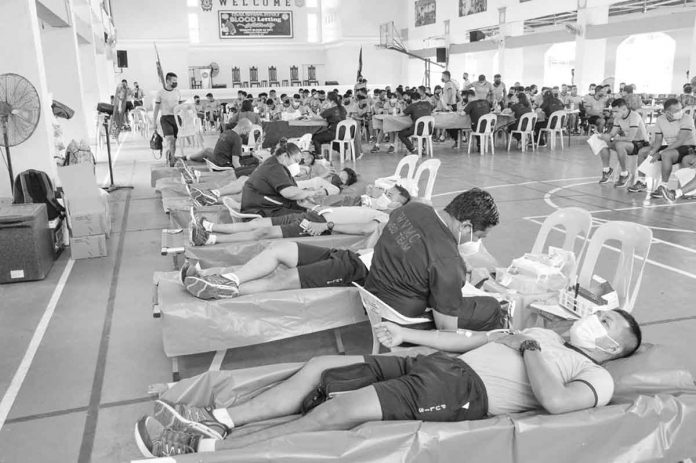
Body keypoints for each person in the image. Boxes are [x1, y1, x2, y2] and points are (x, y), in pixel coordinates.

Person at [134, 309, 642, 457]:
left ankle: (202, 447)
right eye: (599, 314)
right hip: (431, 364)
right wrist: (407, 335)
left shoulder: (593, 374)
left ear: (613, 348)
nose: (593, 320)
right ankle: (220, 418)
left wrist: (530, 348)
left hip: (465, 394)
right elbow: (467, 339)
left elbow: (554, 402)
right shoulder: (534, 330)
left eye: (606, 325)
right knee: (318, 368)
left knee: (340, 409)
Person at [365, 188, 502, 331]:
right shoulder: (448, 261)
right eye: (479, 236)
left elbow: (418, 244)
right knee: (492, 308)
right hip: (400, 322)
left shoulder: (411, 208)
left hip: (373, 299)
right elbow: (446, 330)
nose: (477, 241)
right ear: (466, 226)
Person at [191, 185, 411, 246]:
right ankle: (209, 226)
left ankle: (211, 239)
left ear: (397, 205)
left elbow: (365, 230)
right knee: (258, 222)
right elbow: (336, 210)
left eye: (390, 195)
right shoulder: (370, 205)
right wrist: (311, 205)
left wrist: (328, 226)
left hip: (318, 223)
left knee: (263, 232)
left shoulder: (385, 218)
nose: (384, 194)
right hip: (313, 214)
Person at [181, 239, 372, 300]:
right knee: (279, 248)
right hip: (352, 255)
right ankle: (227, 278)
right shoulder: (397, 217)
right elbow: (378, 231)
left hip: (361, 270)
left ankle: (218, 289)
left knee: (284, 278)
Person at [628, 98, 696, 200]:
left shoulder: (687, 119)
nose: (680, 112)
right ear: (667, 112)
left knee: (666, 154)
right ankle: (641, 182)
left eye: (680, 109)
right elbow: (658, 141)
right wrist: (653, 151)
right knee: (643, 151)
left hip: (687, 146)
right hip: (672, 146)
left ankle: (663, 186)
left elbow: (681, 141)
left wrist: (661, 152)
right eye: (676, 110)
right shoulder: (660, 119)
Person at [240, 142, 324, 217]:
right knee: (308, 218)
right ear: (285, 156)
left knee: (305, 211)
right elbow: (289, 193)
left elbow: (289, 188)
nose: (296, 165)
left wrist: (303, 193)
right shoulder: (275, 168)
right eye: (295, 161)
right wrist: (312, 193)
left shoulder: (273, 163)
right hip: (261, 211)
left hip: (261, 207)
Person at [595, 99, 649, 186]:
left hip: (641, 143)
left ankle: (624, 174)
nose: (614, 114)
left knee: (620, 145)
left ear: (624, 109)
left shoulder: (634, 116)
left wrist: (613, 139)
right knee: (603, 143)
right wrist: (603, 136)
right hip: (629, 143)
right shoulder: (618, 118)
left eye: (616, 111)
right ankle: (606, 170)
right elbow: (612, 134)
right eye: (613, 111)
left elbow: (630, 138)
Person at [187, 118, 253, 171]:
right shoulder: (237, 139)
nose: (248, 133)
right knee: (251, 163)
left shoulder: (227, 132)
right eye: (248, 131)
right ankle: (188, 157)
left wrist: (248, 153)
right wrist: (242, 174)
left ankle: (187, 157)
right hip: (222, 163)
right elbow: (235, 162)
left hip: (217, 158)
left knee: (208, 150)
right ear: (244, 128)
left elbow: (234, 153)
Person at [153, 72, 184, 165]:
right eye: (173, 81)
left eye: (176, 81)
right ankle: (170, 157)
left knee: (174, 141)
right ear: (168, 81)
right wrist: (154, 122)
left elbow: (179, 105)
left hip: (176, 118)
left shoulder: (177, 92)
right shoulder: (160, 93)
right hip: (165, 118)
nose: (175, 82)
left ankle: (171, 158)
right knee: (170, 139)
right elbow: (156, 108)